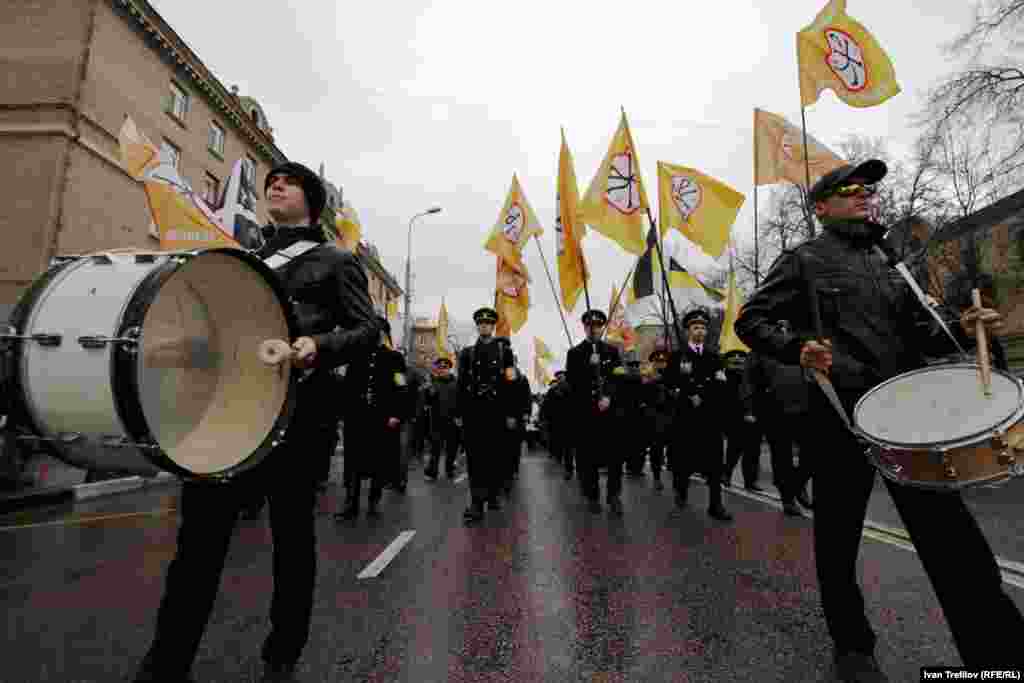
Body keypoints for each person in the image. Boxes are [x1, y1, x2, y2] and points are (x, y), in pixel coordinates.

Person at [735, 159, 1023, 682]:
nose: (866, 196)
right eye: (850, 191)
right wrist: (798, 347)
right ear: (821, 207)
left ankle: (997, 660)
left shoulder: (892, 259)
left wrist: (961, 323)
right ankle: (853, 647)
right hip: (840, 417)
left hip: (908, 419)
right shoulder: (803, 259)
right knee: (838, 539)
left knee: (954, 539)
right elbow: (749, 320)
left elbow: (922, 332)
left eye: (869, 190)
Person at [134, 162, 378, 683]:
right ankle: (167, 661)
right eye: (271, 181)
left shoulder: (336, 261)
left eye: (288, 182)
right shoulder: (242, 259)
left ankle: (281, 656)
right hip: (228, 413)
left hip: (297, 417)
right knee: (197, 545)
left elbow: (366, 331)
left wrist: (316, 346)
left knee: (292, 544)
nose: (275, 185)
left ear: (312, 201)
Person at [662, 309, 733, 522]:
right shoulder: (677, 357)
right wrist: (685, 391)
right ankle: (681, 493)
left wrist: (702, 394)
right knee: (683, 461)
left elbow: (721, 385)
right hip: (685, 419)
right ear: (687, 331)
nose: (700, 331)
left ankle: (715, 504)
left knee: (714, 463)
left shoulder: (714, 356)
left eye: (703, 327)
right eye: (695, 327)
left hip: (709, 417)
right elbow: (668, 385)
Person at [336, 317, 409, 520]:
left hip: (381, 418)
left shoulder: (395, 358)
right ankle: (350, 504)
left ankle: (373, 503)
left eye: (377, 332)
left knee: (377, 461)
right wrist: (343, 413)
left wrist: (396, 413)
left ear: (384, 334)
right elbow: (346, 386)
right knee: (352, 462)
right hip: (356, 417)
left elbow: (401, 388)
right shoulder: (356, 356)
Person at [456, 307, 515, 523]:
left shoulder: (504, 352)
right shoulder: (467, 353)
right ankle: (476, 502)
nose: (485, 326)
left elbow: (511, 383)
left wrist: (510, 413)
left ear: (493, 326)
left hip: (497, 413)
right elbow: (461, 385)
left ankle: (492, 493)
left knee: (494, 457)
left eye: (488, 324)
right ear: (478, 326)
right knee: (475, 459)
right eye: (481, 324)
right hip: (474, 413)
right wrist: (459, 412)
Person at [566, 309, 625, 515]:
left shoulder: (612, 352)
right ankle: (592, 496)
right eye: (590, 327)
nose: (594, 330)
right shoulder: (574, 354)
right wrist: (586, 366)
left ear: (602, 328)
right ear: (585, 328)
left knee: (615, 458)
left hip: (610, 414)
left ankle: (614, 495)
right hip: (586, 415)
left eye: (598, 326)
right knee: (587, 458)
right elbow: (571, 385)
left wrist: (608, 396)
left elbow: (619, 379)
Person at [720, 349, 762, 493]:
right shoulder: (725, 378)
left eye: (741, 359)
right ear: (727, 362)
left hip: (755, 417)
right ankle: (726, 474)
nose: (737, 360)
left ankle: (750, 482)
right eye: (733, 359)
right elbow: (728, 400)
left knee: (753, 452)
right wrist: (743, 413)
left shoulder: (753, 376)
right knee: (735, 449)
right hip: (736, 419)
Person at [424, 356, 459, 480]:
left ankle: (449, 470)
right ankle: (432, 472)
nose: (443, 370)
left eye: (445, 368)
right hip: (436, 421)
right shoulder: (432, 382)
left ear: (449, 368)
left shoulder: (457, 383)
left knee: (451, 449)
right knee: (435, 449)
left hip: (452, 421)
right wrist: (428, 391)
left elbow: (461, 402)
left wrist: (459, 417)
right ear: (437, 369)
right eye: (440, 368)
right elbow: (426, 401)